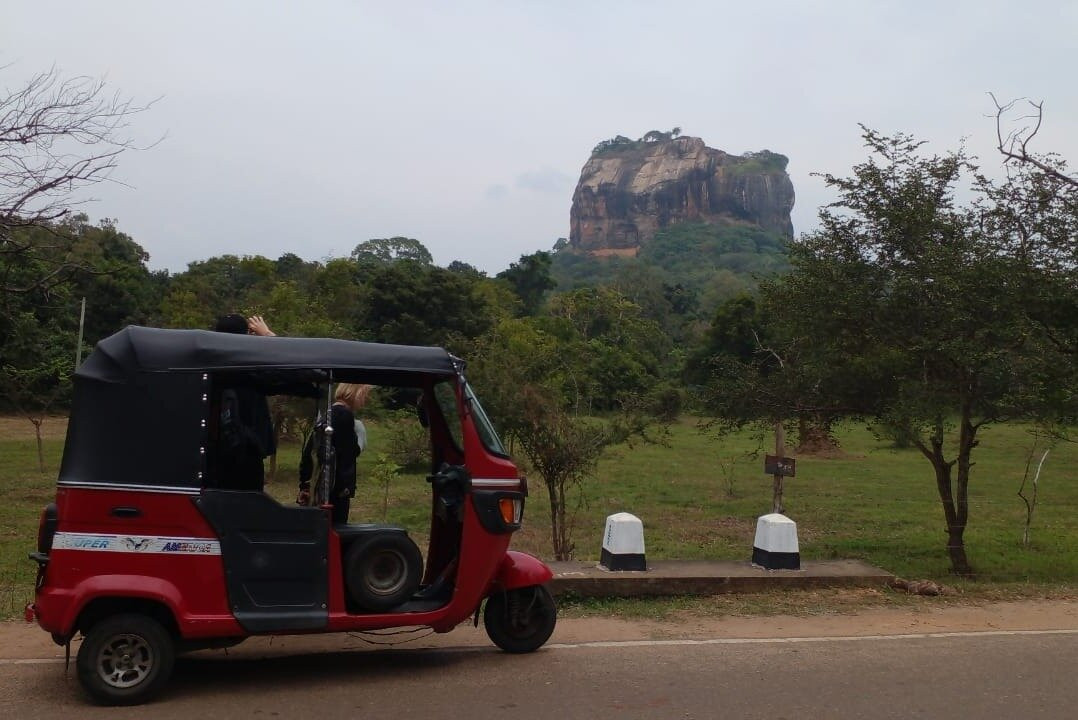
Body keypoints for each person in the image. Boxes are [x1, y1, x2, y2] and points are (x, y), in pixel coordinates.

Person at [212, 314, 277, 490]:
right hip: (248, 452)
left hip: (215, 455)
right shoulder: (250, 370)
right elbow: (287, 367)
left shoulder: (212, 368)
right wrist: (268, 336)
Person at [297, 383, 372, 524]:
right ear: (356, 393)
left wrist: (304, 485)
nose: (365, 400)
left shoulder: (328, 413)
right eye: (365, 395)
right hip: (336, 490)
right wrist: (360, 440)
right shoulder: (345, 415)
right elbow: (349, 453)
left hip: (321, 486)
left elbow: (309, 451)